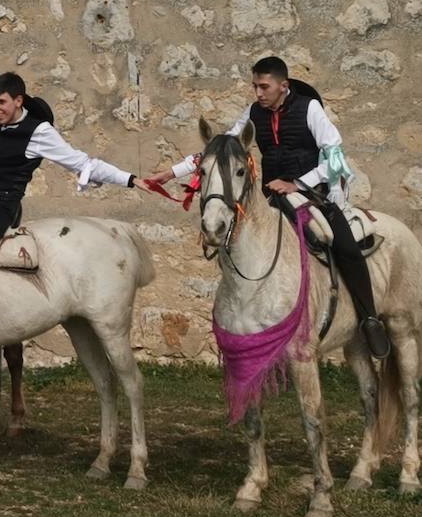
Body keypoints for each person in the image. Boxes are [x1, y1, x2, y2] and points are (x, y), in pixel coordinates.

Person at [149, 55, 390, 359]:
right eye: (255, 86)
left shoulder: (310, 109)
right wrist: (172, 172)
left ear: (283, 86)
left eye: (264, 86)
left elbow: (337, 159)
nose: (258, 93)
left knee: (343, 243)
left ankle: (369, 319)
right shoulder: (253, 113)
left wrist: (297, 184)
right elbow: (220, 151)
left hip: (317, 196)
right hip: (272, 198)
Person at [0, 72, 153, 356]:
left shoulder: (38, 133)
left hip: (0, 205)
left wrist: (130, 179)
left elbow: (84, 163)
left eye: (1, 102)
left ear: (18, 100)